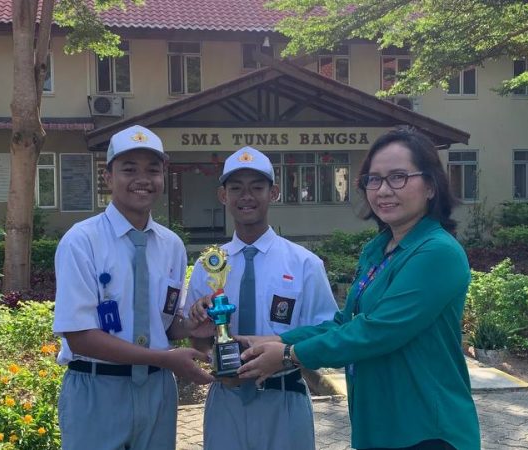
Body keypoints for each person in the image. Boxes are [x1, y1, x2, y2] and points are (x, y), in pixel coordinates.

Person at [238, 129, 481, 450]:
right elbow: (347, 323)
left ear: (431, 185)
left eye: (398, 177)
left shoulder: (438, 252)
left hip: (426, 428)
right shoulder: (379, 249)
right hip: (379, 423)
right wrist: (280, 339)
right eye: (374, 179)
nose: (383, 190)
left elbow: (377, 331)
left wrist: (288, 356)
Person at [53, 125, 213, 450]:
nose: (143, 179)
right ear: (108, 177)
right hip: (97, 390)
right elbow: (79, 336)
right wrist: (165, 359)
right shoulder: (82, 241)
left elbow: (165, 327)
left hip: (157, 393)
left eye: (153, 170)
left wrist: (194, 323)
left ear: (163, 178)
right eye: (129, 169)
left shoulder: (172, 246)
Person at [185, 146, 339, 450]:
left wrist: (282, 350)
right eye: (236, 188)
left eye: (257, 187)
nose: (246, 196)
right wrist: (200, 327)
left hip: (284, 397)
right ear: (223, 196)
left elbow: (329, 333)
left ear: (274, 192)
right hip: (226, 400)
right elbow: (199, 342)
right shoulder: (208, 265)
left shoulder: (304, 264)